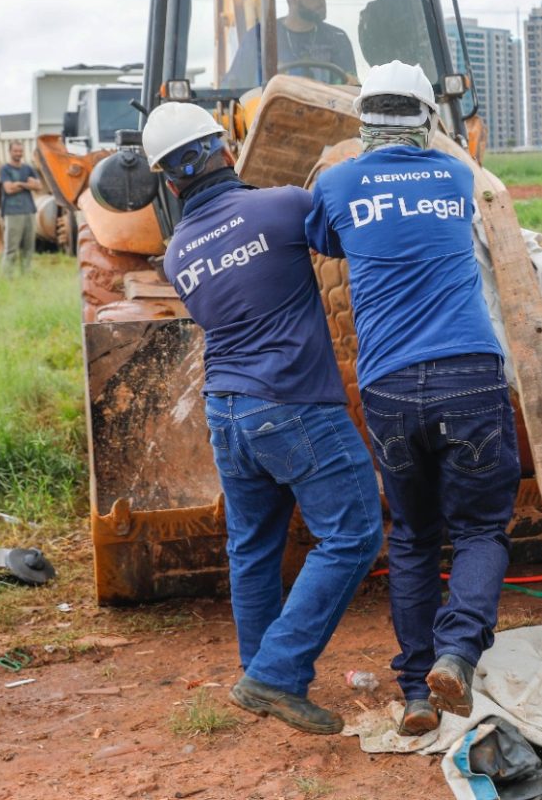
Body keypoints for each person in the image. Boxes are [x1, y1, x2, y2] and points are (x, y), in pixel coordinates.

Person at [145, 102, 382, 736]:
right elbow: (344, 236)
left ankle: (258, 672)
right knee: (355, 534)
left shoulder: (176, 256)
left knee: (252, 547)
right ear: (225, 148)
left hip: (226, 410)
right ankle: (275, 675)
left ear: (168, 182)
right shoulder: (279, 206)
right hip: (293, 404)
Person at [306, 61, 519, 734]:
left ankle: (418, 692)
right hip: (470, 375)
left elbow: (326, 240)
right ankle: (457, 651)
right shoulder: (458, 175)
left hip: (389, 387)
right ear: (427, 118)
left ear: (363, 121)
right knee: (481, 528)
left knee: (414, 536)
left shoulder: (337, 182)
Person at [225, 0, 357, 87]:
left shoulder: (337, 38)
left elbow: (351, 85)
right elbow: (235, 85)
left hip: (328, 112)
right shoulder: (260, 37)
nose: (322, 1)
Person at [0, 142, 41, 276]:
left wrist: (19, 184)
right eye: (15, 151)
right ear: (10, 152)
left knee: (28, 247)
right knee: (11, 248)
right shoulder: (5, 169)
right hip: (13, 212)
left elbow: (39, 186)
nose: (18, 154)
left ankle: (26, 275)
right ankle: (7, 277)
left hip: (29, 211)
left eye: (20, 151)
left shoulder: (28, 168)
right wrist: (28, 184)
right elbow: (9, 189)